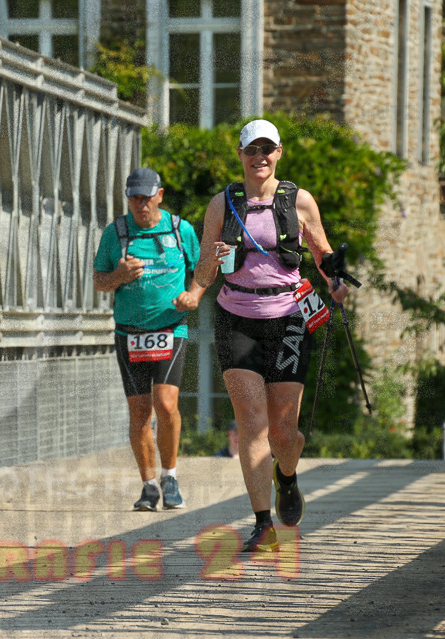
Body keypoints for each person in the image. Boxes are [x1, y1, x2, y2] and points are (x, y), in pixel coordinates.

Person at [193, 119, 349, 552]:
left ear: (279, 152)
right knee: (251, 425)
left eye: (267, 149)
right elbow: (204, 272)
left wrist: (336, 281)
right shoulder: (220, 205)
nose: (259, 157)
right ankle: (263, 524)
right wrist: (212, 262)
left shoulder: (299, 201)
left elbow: (322, 255)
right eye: (251, 150)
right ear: (240, 155)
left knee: (283, 433)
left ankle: (287, 475)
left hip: (289, 317)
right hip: (235, 317)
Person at [94, 168, 204, 512]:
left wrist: (193, 295)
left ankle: (170, 476)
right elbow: (99, 281)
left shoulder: (179, 229)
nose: (141, 205)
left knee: (166, 404)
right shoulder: (117, 232)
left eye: (147, 197)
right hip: (129, 333)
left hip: (171, 328)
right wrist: (119, 276)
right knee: (139, 412)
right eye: (134, 198)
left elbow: (202, 271)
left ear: (160, 195)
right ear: (128, 198)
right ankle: (148, 486)